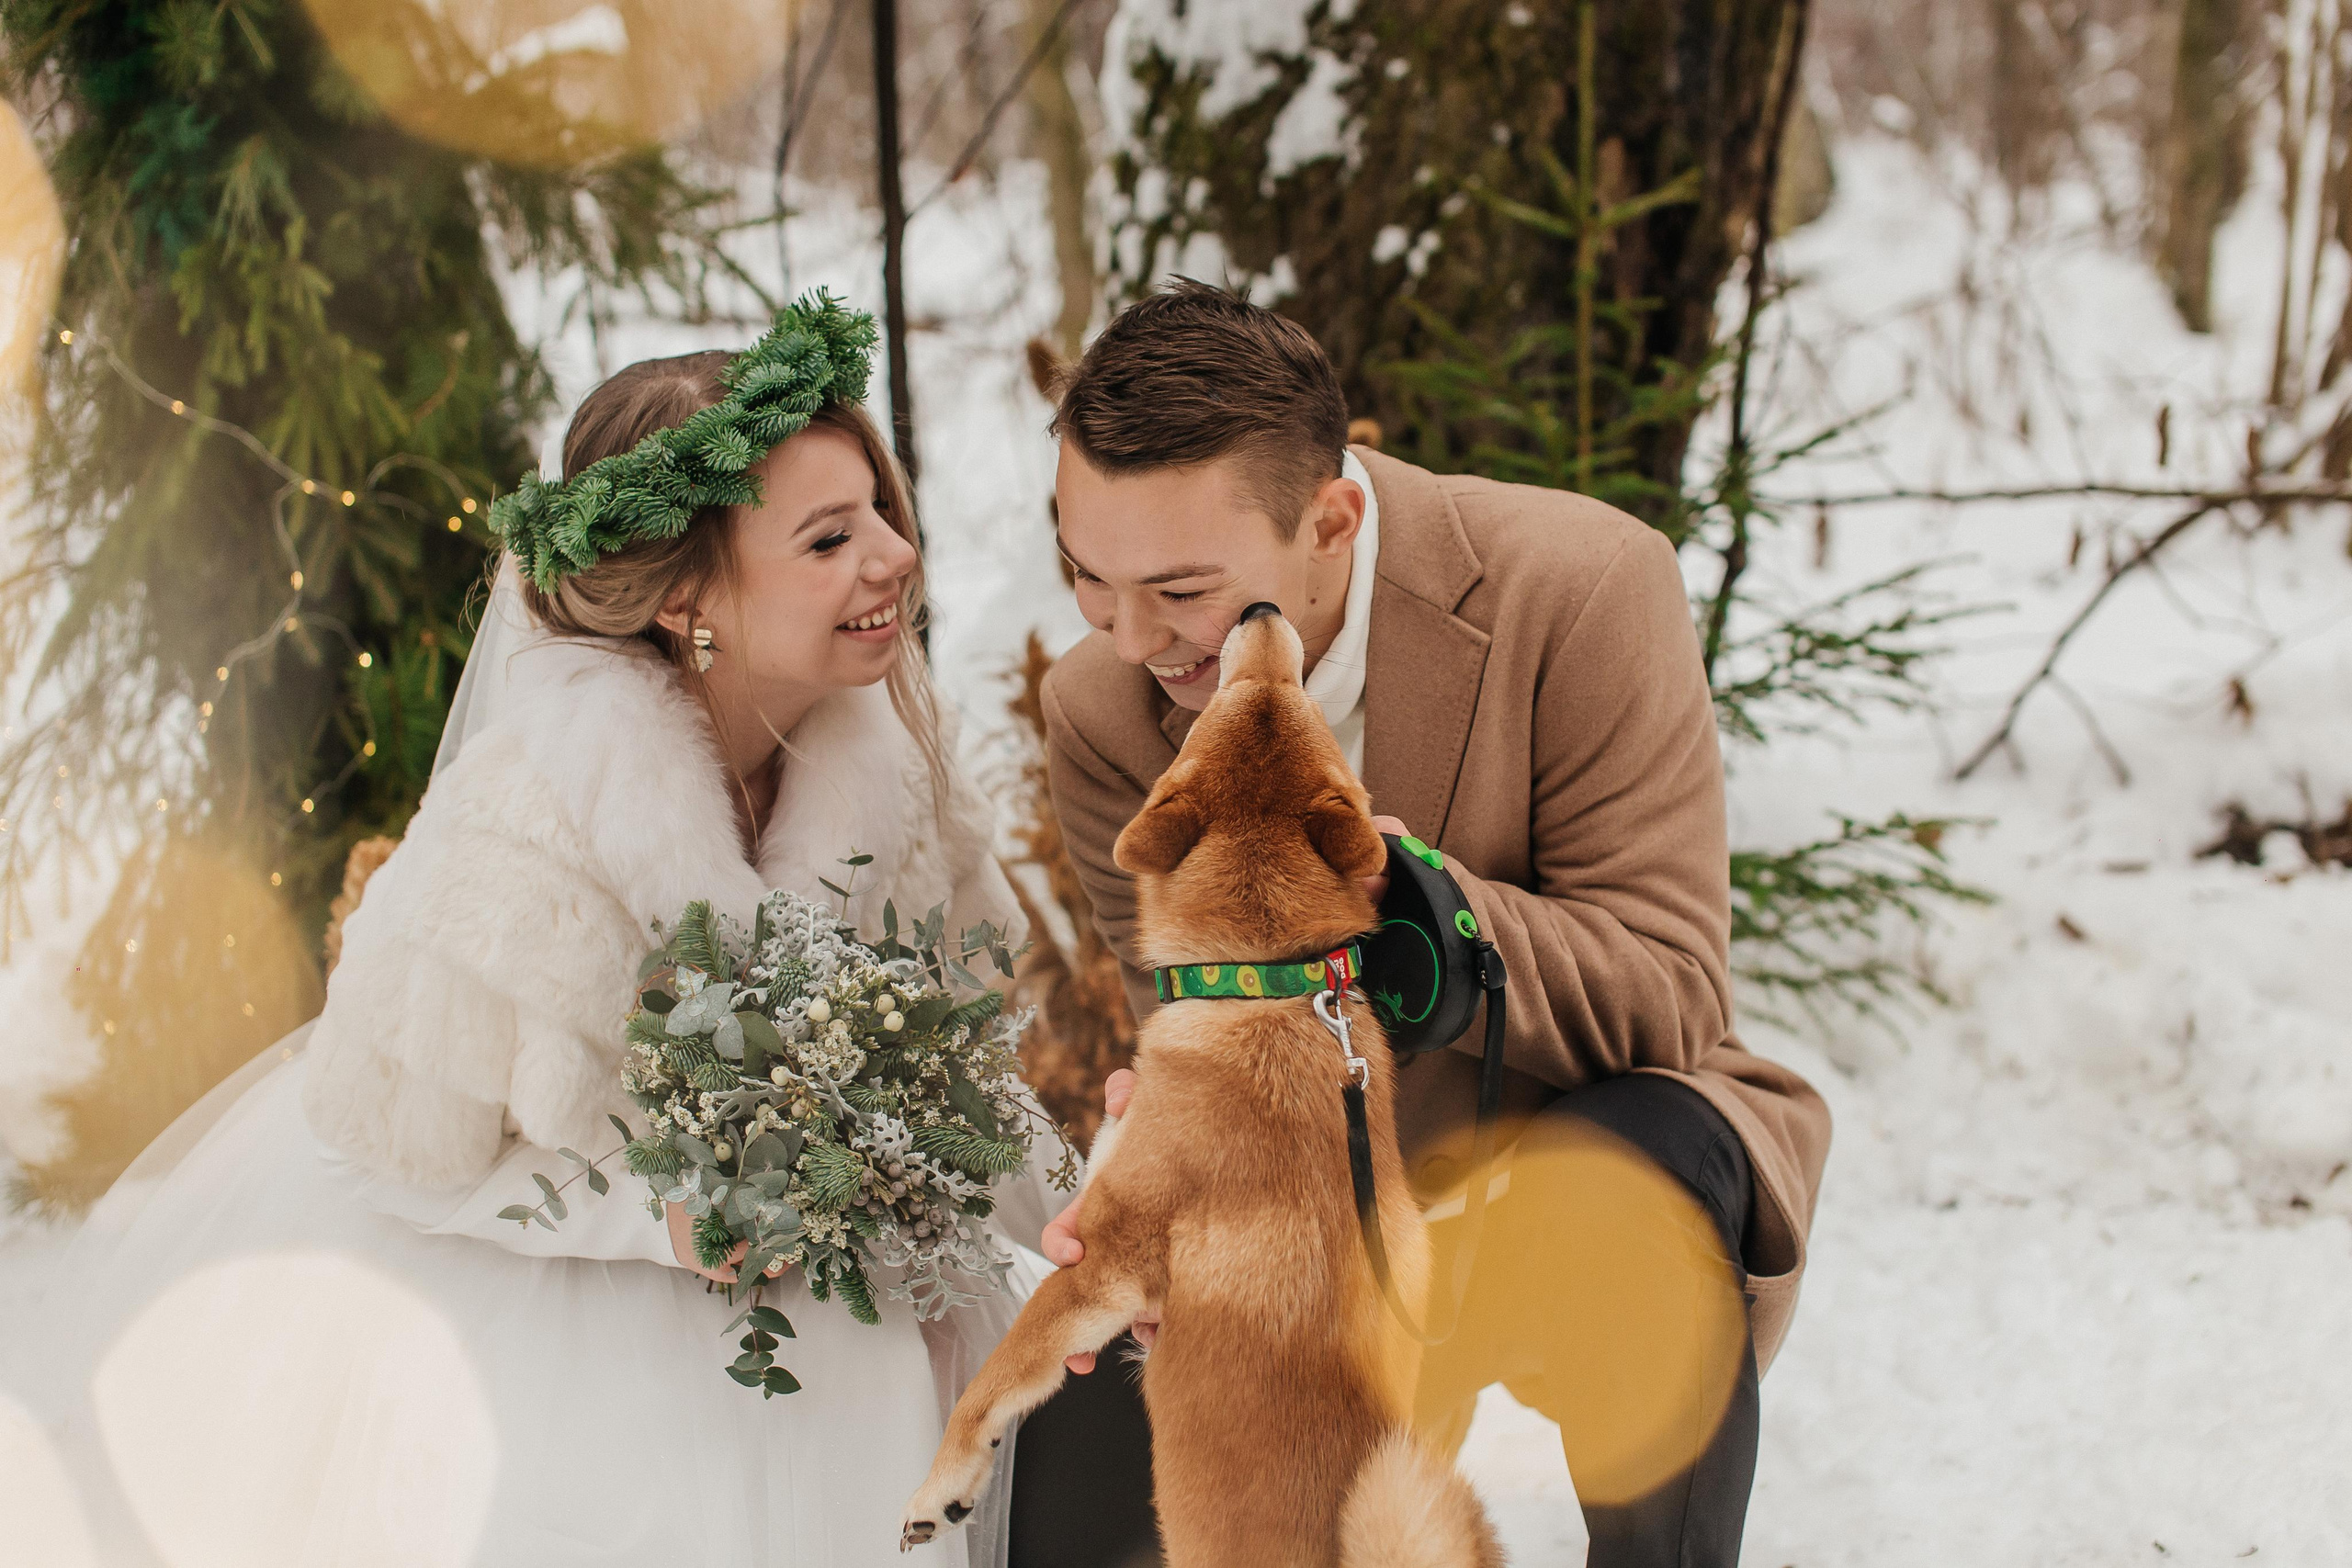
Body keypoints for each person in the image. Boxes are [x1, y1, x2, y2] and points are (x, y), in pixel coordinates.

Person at [18, 296, 1068, 1568]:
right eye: (829, 537)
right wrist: (661, 1216)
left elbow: (957, 1072)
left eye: (883, 514)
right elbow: (376, 1151)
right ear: (693, 598)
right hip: (574, 1360)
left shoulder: (896, 781)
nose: (893, 555)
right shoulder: (527, 821)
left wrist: (1083, 1221)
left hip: (855, 1351)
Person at [1020, 280, 1833, 1568]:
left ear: (1332, 519)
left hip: (1577, 1141)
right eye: (1087, 577)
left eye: (1180, 588)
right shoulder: (1102, 707)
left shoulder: (1583, 585)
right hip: (1311, 1214)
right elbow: (1188, 1015)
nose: (1131, 637)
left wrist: (1431, 917)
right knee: (1069, 1459)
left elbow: (1673, 987)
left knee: (1648, 1177)